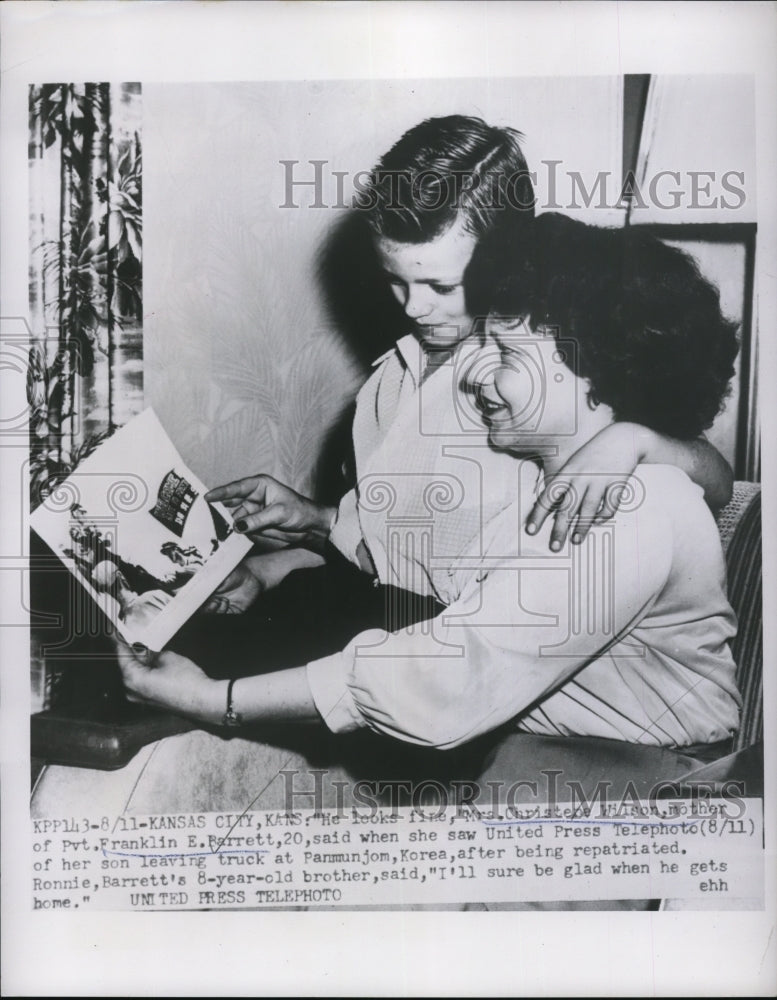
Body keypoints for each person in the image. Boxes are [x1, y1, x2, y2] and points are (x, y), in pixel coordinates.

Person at [117, 212, 741, 764]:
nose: (478, 381)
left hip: (649, 783)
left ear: (594, 375)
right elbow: (424, 565)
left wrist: (212, 700)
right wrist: (283, 557)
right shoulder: (542, 479)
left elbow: (447, 680)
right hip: (550, 758)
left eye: (505, 357)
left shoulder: (628, 509)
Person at [198, 116, 733, 660]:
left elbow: (717, 483)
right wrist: (306, 530)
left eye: (440, 285)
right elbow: (393, 555)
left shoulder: (542, 385)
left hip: (464, 658)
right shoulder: (392, 377)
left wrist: (632, 441)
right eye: (396, 280)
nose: (414, 307)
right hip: (381, 623)